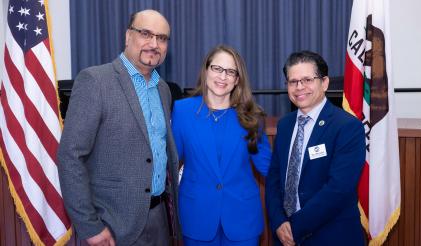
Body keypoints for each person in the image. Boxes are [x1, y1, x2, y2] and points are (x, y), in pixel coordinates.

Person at [57, 10, 180, 246]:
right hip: (112, 226)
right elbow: (70, 157)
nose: (154, 44)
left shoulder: (163, 89)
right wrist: (90, 226)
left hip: (160, 221)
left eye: (162, 38)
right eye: (146, 33)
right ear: (128, 36)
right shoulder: (95, 81)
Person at [171, 45, 272, 245]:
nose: (222, 77)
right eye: (217, 68)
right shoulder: (182, 111)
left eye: (230, 72)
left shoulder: (252, 117)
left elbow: (269, 167)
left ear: (237, 80)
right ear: (206, 70)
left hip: (243, 220)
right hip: (196, 217)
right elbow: (170, 163)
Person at [265, 51, 366, 246]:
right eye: (292, 81)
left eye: (307, 80)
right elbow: (274, 178)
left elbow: (338, 189)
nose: (299, 87)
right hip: (284, 235)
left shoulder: (347, 127)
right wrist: (279, 222)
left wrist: (295, 226)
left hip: (330, 235)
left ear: (325, 83)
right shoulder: (285, 125)